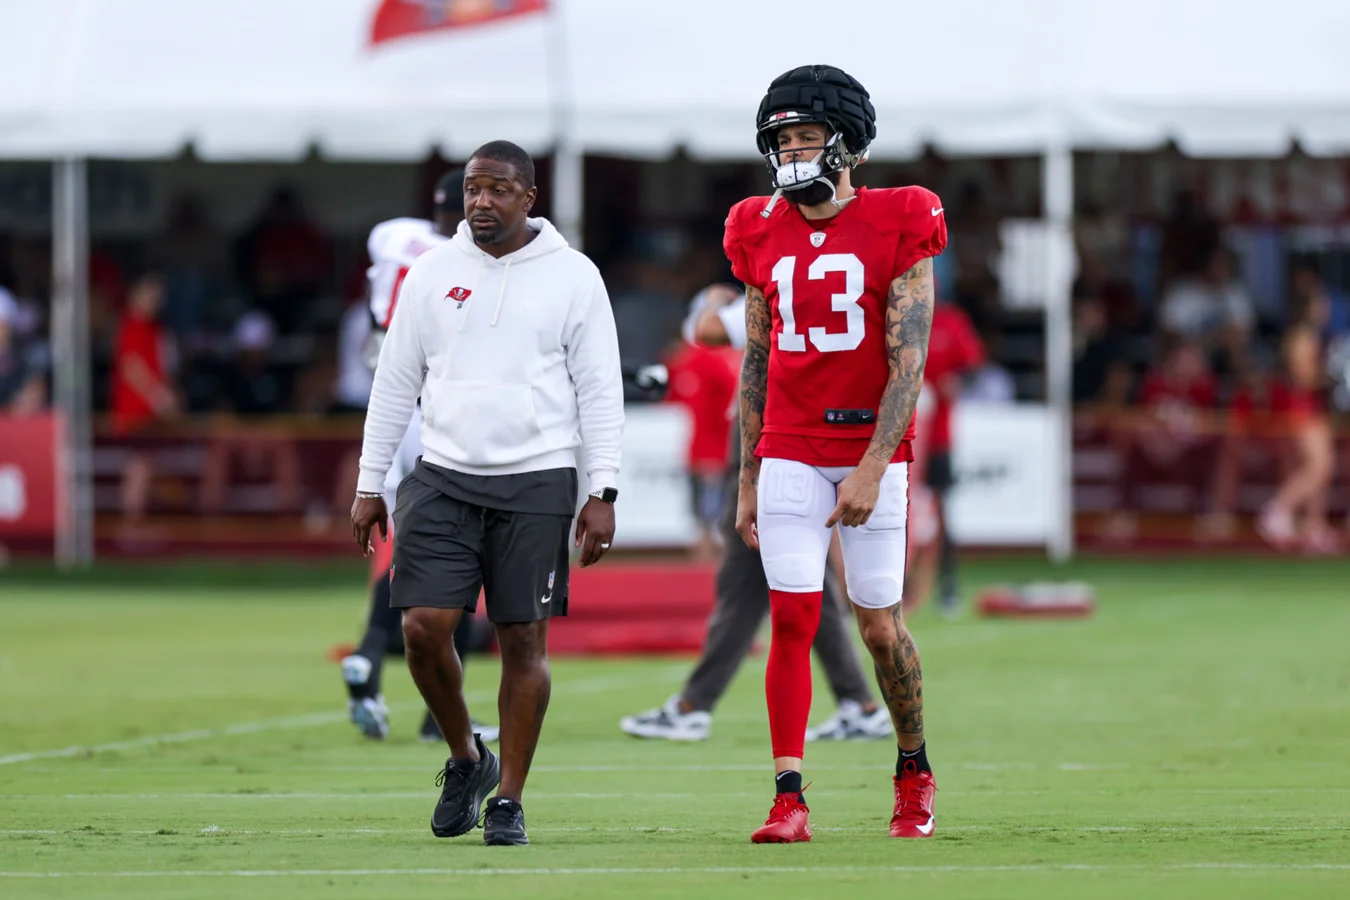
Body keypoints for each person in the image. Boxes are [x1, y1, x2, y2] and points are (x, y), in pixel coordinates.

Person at [351, 140, 624, 847]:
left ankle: (509, 801)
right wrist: (370, 481)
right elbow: (395, 381)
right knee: (421, 629)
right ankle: (468, 758)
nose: (481, 201)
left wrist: (602, 488)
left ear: (528, 198)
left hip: (537, 476)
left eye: (498, 189)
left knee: (522, 640)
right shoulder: (431, 272)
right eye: (474, 188)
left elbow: (600, 388)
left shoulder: (574, 275)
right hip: (441, 472)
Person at [726, 65, 946, 843]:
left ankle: (913, 768)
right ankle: (789, 797)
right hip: (789, 442)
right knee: (792, 616)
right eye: (781, 138)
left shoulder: (902, 216)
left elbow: (909, 360)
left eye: (806, 136)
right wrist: (749, 475)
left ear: (846, 143)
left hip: (869, 446)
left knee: (878, 625)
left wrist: (875, 464)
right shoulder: (755, 224)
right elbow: (757, 358)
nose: (790, 151)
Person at [620, 284, 891, 744]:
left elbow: (705, 330)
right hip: (807, 444)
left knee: (751, 589)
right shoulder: (839, 293)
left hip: (771, 451)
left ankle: (694, 706)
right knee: (799, 586)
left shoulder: (783, 289)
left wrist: (713, 300)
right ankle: (857, 702)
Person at [338, 168, 500, 745]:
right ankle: (437, 713)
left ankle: (370, 657)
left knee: (416, 548)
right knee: (466, 547)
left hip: (387, 402)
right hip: (434, 409)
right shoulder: (461, 261)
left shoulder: (392, 236)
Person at [1258, 288, 1338, 554]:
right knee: (1320, 465)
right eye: (1321, 304)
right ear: (1309, 308)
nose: (1326, 309)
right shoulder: (1302, 338)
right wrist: (1331, 376)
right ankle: (1278, 509)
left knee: (1322, 468)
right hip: (1301, 408)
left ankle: (1314, 526)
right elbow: (1303, 376)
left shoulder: (1312, 337)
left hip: (1311, 406)